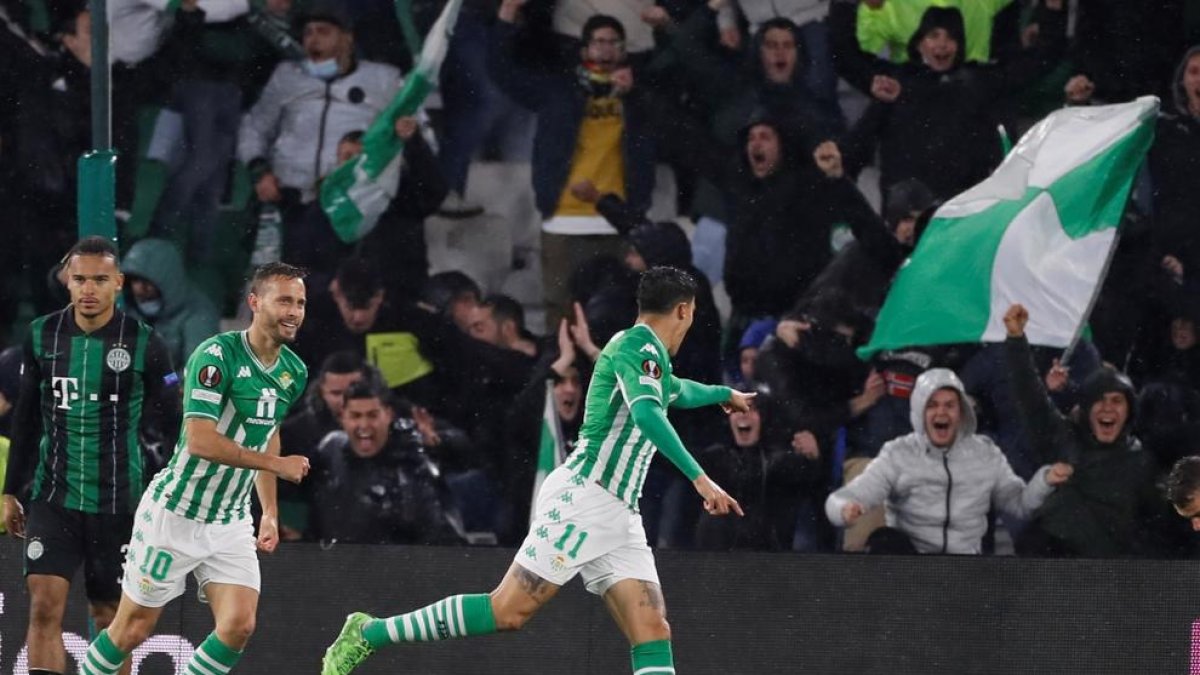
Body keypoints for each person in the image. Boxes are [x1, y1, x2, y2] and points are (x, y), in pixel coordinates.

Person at [321, 266, 753, 675]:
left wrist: (722, 393)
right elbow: (647, 416)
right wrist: (701, 478)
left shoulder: (646, 356)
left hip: (619, 512)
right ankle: (370, 631)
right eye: (692, 315)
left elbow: (675, 391)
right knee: (507, 611)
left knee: (652, 628)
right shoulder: (635, 348)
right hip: (585, 498)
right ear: (684, 310)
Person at [76, 262, 313, 675]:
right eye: (284, 301)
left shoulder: (294, 371)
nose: (294, 311)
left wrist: (269, 511)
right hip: (176, 512)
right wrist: (276, 464)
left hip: (229, 520)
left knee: (239, 626)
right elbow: (201, 441)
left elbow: (267, 431)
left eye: (300, 303)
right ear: (255, 303)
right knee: (131, 630)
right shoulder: (216, 355)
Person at [1, 237, 181, 675]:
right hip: (53, 495)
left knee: (109, 619)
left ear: (117, 282)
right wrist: (9, 493)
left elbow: (176, 423)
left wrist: (173, 495)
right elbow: (25, 420)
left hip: (118, 502)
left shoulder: (145, 343)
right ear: (68, 281)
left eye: (100, 279)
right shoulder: (42, 334)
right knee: (44, 607)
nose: (88, 289)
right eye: (80, 279)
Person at [825, 367, 1073, 554]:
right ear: (920, 412)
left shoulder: (985, 454)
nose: (941, 412)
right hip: (911, 570)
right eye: (932, 405)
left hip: (963, 569)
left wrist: (1044, 480)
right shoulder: (898, 453)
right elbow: (843, 498)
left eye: (949, 405)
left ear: (961, 412)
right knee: (884, 540)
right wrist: (844, 510)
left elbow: (1019, 504)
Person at [1003, 303, 1161, 557]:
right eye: (1100, 400)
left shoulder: (1142, 462)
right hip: (1052, 568)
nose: (1108, 408)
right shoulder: (1064, 439)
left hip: (1109, 577)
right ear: (1086, 409)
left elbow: (1155, 531)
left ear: (1129, 411)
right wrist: (1015, 340)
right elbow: (1031, 397)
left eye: (1117, 401)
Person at [310, 379, 464, 545]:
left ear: (388, 415)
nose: (364, 425)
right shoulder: (330, 450)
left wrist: (436, 444)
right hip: (335, 563)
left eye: (372, 415)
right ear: (342, 417)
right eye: (355, 416)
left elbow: (465, 453)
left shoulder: (411, 460)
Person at [121, 238, 221, 369]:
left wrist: (163, 381)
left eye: (147, 282)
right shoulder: (129, 307)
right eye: (134, 281)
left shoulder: (198, 316)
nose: (139, 289)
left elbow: (198, 373)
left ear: (166, 280)